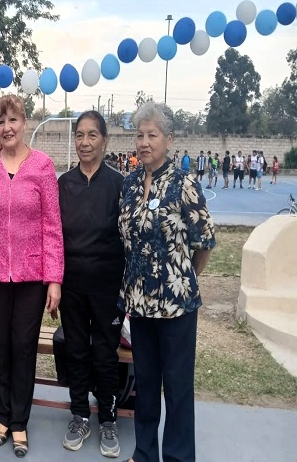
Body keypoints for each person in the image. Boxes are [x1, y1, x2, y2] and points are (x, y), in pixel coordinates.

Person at [0, 94, 62, 458]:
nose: (7, 128)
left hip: (31, 278)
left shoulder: (43, 166)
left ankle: (20, 421)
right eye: (1, 122)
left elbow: (52, 226)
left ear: (25, 123)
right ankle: (4, 415)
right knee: (1, 348)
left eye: (13, 120)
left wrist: (54, 278)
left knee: (23, 348)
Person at [119, 102, 215, 462]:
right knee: (145, 385)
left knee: (177, 389)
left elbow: (204, 242)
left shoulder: (184, 184)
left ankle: (177, 457)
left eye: (152, 135)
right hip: (140, 304)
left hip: (177, 306)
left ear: (168, 140)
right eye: (139, 135)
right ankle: (145, 452)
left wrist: (184, 278)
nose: (144, 142)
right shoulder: (129, 184)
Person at [57, 111, 124, 458]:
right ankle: (80, 414)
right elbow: (54, 236)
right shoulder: (64, 184)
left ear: (104, 141)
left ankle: (108, 419)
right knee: (76, 350)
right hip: (71, 286)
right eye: (80, 135)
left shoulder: (119, 184)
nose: (84, 142)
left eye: (92, 135)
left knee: (105, 354)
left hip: (107, 287)